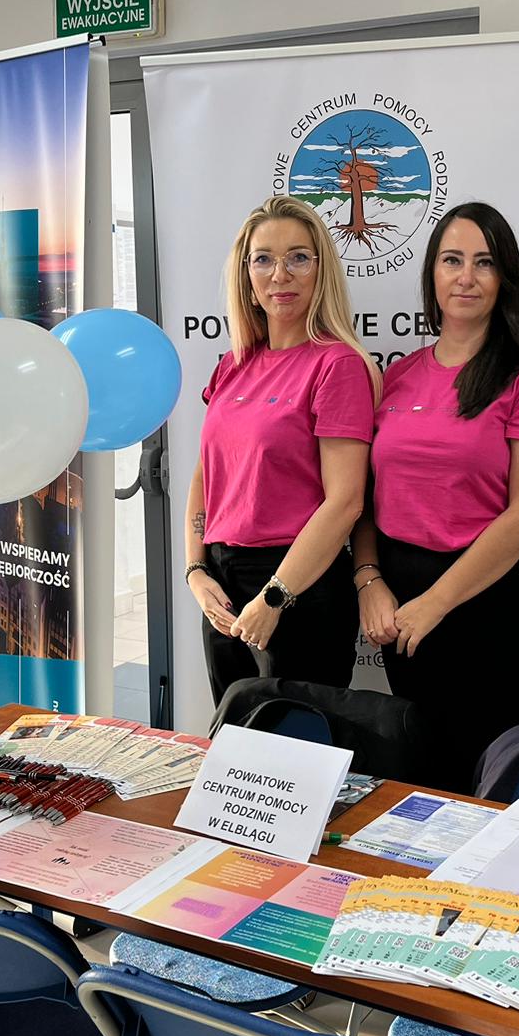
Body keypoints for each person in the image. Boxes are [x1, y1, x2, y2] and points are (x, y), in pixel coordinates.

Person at [353, 202, 519, 794]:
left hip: (488, 592)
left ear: (505, 279)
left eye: (484, 262)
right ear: (432, 274)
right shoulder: (398, 376)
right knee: (416, 759)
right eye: (452, 260)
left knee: (476, 767)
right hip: (401, 585)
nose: (466, 277)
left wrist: (436, 603)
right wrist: (369, 580)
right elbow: (364, 496)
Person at [185, 195, 381, 708]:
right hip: (223, 583)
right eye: (264, 259)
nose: (280, 275)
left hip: (299, 585)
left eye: (298, 257)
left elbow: (346, 501)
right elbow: (205, 477)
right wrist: (196, 571)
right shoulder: (234, 364)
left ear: (321, 270)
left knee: (298, 748)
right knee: (234, 744)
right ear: (246, 274)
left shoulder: (337, 366)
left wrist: (274, 597)